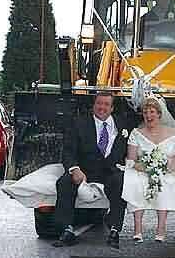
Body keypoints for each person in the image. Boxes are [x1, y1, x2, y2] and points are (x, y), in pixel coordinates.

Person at [54, 92, 130, 249]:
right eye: (99, 103)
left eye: (106, 104)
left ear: (112, 108)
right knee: (64, 183)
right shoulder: (79, 123)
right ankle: (66, 230)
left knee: (121, 181)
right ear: (93, 105)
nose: (102, 107)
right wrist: (74, 169)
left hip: (110, 171)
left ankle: (115, 229)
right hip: (84, 171)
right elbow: (68, 151)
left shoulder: (123, 125)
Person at [122, 97, 175, 243]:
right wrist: (144, 167)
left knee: (165, 183)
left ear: (159, 114)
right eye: (145, 113)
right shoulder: (136, 133)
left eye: (152, 112)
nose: (148, 116)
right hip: (141, 169)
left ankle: (161, 228)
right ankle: (137, 228)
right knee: (135, 182)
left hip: (166, 170)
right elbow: (131, 160)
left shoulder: (174, 134)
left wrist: (169, 167)